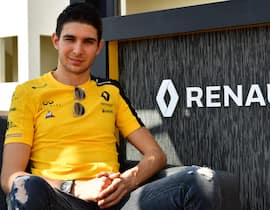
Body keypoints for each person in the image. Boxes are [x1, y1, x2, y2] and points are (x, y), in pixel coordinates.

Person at [0, 3, 222, 210]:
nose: (78, 50)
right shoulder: (28, 92)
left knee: (201, 180)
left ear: (98, 47)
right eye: (70, 39)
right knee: (25, 185)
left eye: (88, 41)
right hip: (60, 198)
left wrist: (127, 181)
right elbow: (10, 177)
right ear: (56, 41)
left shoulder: (111, 92)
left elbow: (155, 154)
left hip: (115, 199)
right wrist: (75, 187)